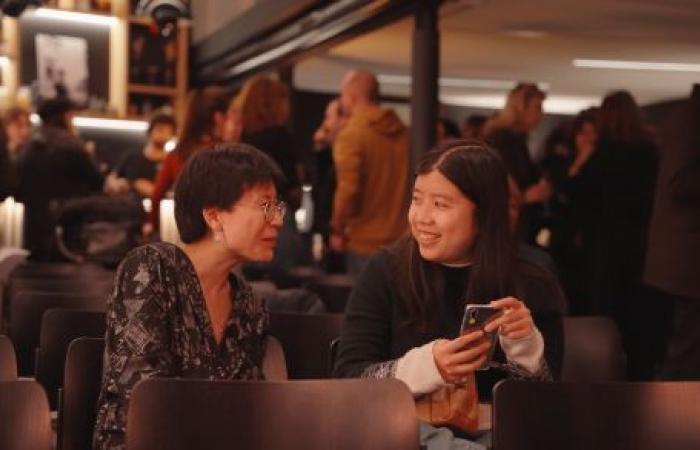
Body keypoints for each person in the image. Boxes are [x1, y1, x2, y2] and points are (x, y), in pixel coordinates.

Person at [333, 139, 565, 450]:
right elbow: (349, 380)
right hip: (408, 431)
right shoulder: (387, 269)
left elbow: (545, 403)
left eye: (441, 205)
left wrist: (526, 348)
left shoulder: (532, 275)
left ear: (482, 215)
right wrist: (428, 367)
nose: (422, 218)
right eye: (417, 200)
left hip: (496, 431)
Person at [93, 144, 287, 450]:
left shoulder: (248, 304)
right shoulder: (149, 269)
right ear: (213, 216)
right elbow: (142, 403)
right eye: (265, 206)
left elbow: (245, 416)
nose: (277, 220)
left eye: (277, 208)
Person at [571, 90, 659, 379]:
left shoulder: (602, 154)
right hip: (642, 242)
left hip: (605, 243)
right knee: (640, 316)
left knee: (605, 313)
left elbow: (579, 198)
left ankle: (605, 375)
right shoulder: (651, 151)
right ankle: (640, 375)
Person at [329, 69, 409, 274]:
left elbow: (348, 190)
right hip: (402, 240)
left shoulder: (352, 135)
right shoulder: (404, 133)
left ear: (351, 97)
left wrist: (336, 228)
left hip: (364, 242)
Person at [646, 84, 700, 380]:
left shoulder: (685, 114)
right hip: (689, 264)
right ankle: (672, 423)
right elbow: (681, 182)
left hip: (685, 263)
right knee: (686, 357)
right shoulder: (692, 115)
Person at [16, 98, 103, 261]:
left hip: (31, 230)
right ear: (64, 117)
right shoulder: (71, 144)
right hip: (66, 233)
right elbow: (98, 181)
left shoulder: (29, 143)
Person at [148, 86, 241, 233]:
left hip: (188, 236)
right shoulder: (225, 154)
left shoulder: (177, 153)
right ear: (218, 118)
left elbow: (156, 197)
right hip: (221, 236)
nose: (238, 125)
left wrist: (154, 228)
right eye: (233, 117)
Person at [484, 82, 552, 243]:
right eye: (537, 107)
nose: (541, 114)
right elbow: (496, 181)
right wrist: (524, 196)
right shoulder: (502, 140)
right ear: (521, 108)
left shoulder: (517, 140)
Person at [105, 112, 176, 199]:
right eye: (160, 130)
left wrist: (154, 191)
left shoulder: (172, 162)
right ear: (151, 130)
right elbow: (112, 178)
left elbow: (174, 193)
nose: (163, 135)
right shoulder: (133, 156)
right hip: (125, 206)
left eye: (168, 132)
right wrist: (117, 186)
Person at [0, 107, 32, 200]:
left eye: (27, 126)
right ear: (6, 126)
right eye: (19, 126)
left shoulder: (30, 154)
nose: (25, 132)